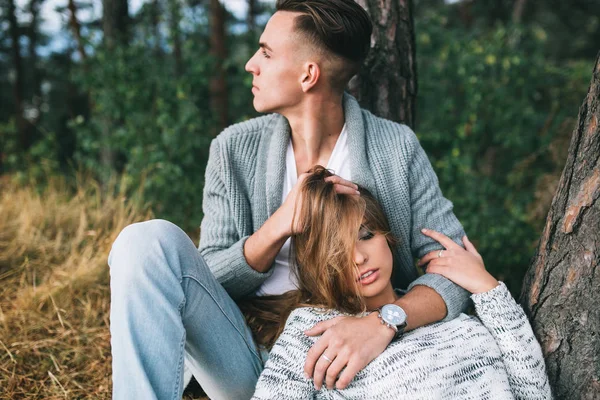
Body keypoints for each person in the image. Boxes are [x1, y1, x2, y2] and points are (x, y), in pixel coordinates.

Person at [108, 0, 471, 398]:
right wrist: (279, 225)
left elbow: (454, 271)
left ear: (308, 74)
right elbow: (206, 277)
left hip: (347, 369)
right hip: (245, 356)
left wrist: (383, 322)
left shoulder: (395, 149)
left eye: (265, 52)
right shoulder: (233, 149)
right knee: (144, 241)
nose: (251, 64)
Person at [250, 166, 552, 399]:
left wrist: (487, 287)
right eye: (338, 252)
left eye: (366, 236)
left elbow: (534, 392)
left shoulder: (452, 316)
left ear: (388, 238)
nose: (357, 258)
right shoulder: (314, 330)